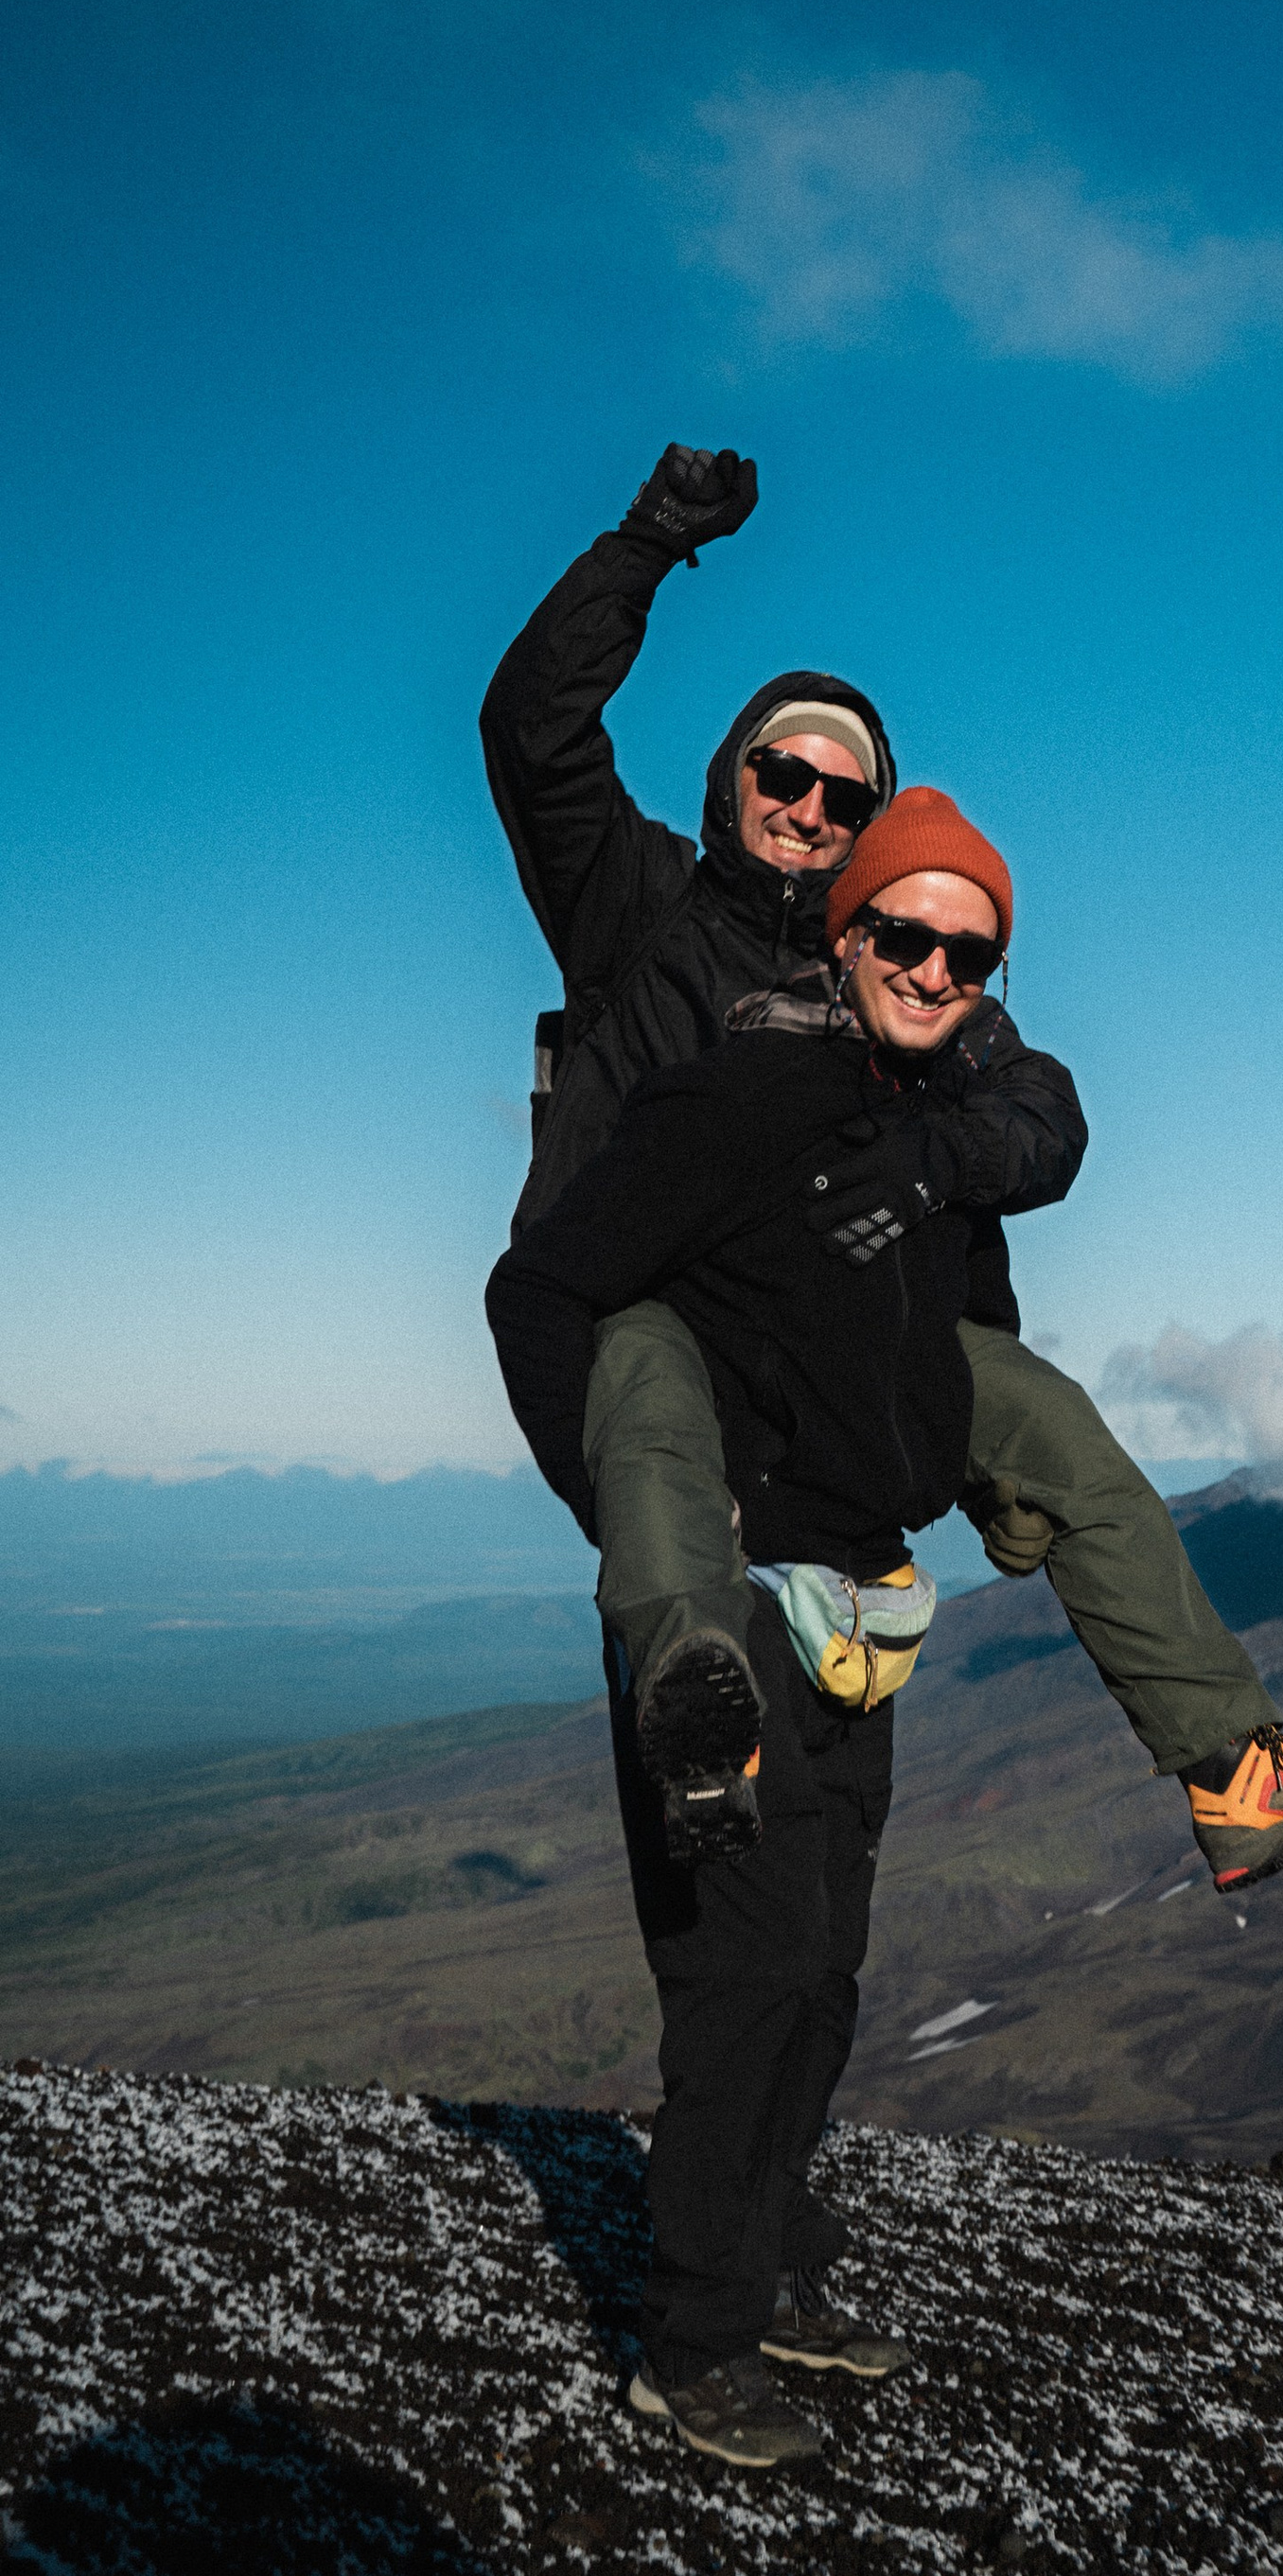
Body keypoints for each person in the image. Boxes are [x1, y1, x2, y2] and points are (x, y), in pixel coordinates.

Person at [481, 442, 1283, 1894]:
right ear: (733, 780)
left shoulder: (895, 966)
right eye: (783, 774)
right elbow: (533, 727)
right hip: (661, 1314)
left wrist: (937, 1154)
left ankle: (1237, 1774)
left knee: (1052, 1424)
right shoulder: (642, 907)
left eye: (844, 798)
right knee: (652, 1397)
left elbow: (1044, 1111)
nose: (809, 809)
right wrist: (645, 545)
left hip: (842, 1336)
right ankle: (702, 1725)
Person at [487, 788, 1035, 2464]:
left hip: (861, 1603)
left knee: (826, 1965)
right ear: (846, 932)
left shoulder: (935, 1145)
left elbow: (964, 1346)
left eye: (967, 953)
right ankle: (695, 2340)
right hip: (725, 1619)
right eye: (904, 934)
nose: (932, 969)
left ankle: (773, 2267)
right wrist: (630, 1514)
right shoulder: (736, 1098)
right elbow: (541, 1287)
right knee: (744, 1967)